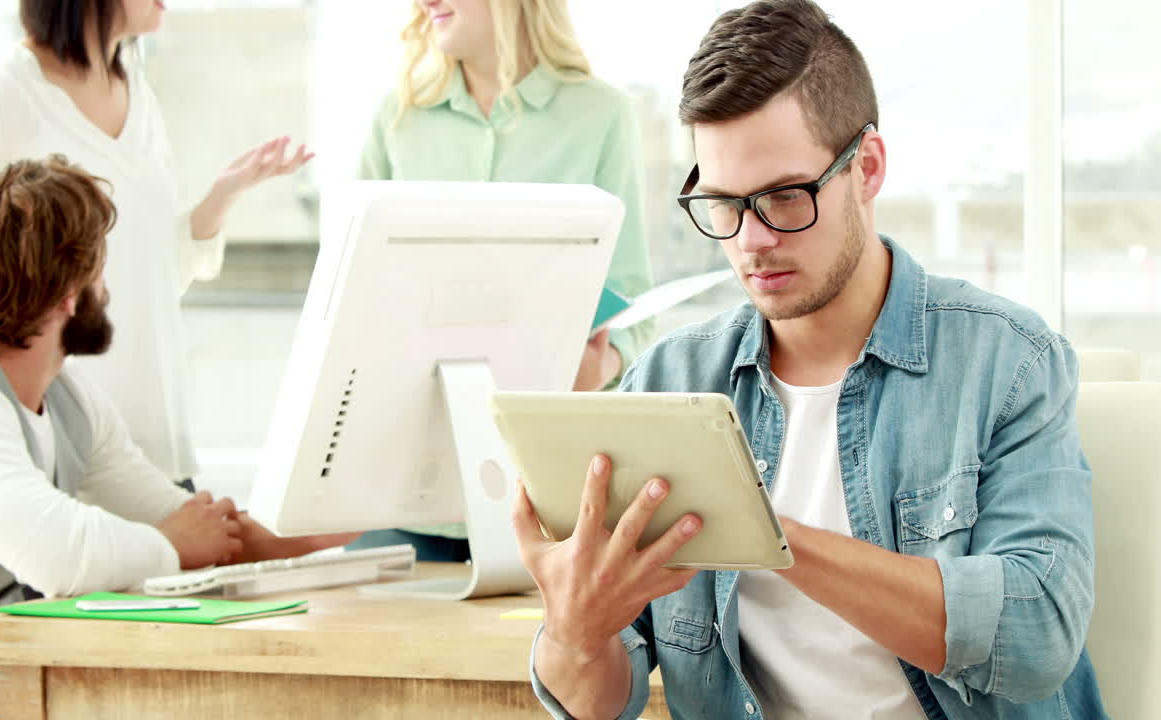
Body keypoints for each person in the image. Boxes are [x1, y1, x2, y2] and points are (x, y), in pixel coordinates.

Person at [514, 1, 1107, 718]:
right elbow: (606, 700)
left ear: (868, 167)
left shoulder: (1008, 363)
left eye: (784, 197)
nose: (751, 240)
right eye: (724, 203)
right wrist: (574, 637)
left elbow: (1037, 634)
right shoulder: (671, 383)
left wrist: (766, 534)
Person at [0, 156, 353, 702]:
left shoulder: (68, 398)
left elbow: (171, 517)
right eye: (99, 268)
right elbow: (65, 556)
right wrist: (175, 543)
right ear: (68, 294)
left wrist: (297, 532)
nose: (106, 286)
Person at [0, 0, 313, 484]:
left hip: (159, 446)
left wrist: (221, 196)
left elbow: (153, 277)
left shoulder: (137, 91)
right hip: (62, 458)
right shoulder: (1, 96)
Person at [351, 0, 655, 561]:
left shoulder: (601, 115)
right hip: (403, 499)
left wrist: (599, 369)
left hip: (545, 506)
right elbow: (345, 301)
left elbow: (634, 309)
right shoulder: (398, 117)